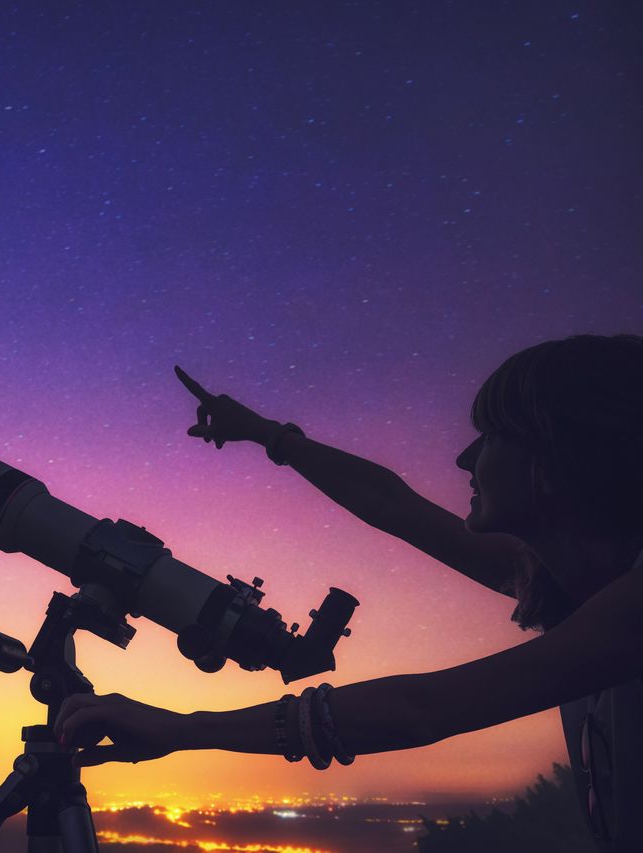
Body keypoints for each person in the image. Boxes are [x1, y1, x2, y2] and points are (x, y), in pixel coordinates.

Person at [54, 334, 643, 851]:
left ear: (554, 456)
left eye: (489, 437)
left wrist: (183, 729)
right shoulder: (569, 578)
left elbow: (421, 711)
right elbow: (394, 505)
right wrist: (266, 435)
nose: (464, 458)